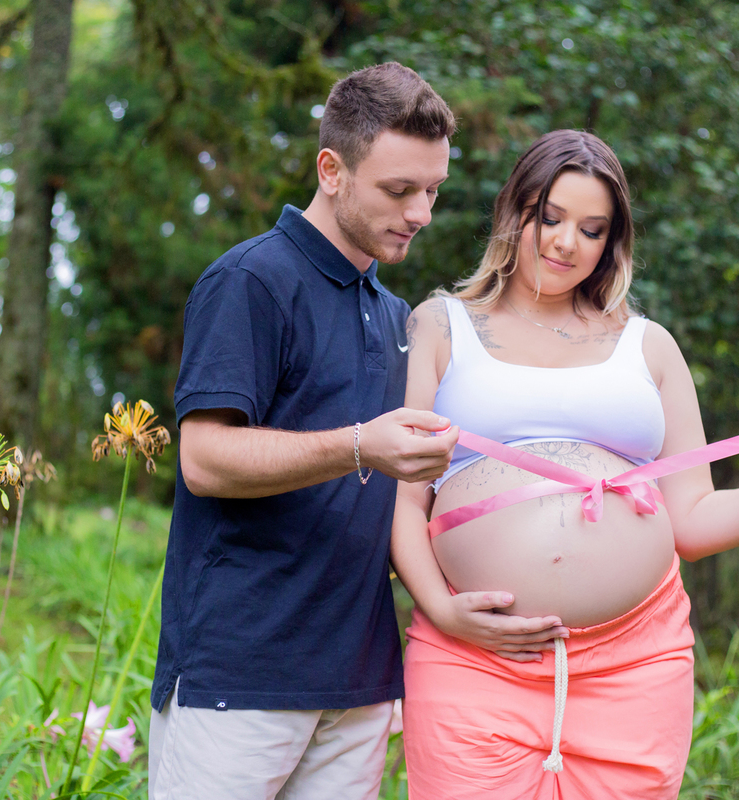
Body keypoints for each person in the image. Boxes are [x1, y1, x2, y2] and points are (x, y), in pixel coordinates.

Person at [390, 129, 739, 799]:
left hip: (635, 662)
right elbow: (404, 504)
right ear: (512, 210)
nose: (565, 242)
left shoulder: (650, 347)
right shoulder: (439, 326)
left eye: (592, 228)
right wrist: (441, 609)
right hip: (475, 656)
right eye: (548, 217)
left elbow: (691, 519)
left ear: (613, 242)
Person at [149, 62, 561, 800]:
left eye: (432, 190)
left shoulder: (396, 313)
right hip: (238, 680)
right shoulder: (250, 281)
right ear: (331, 170)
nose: (421, 211)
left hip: (360, 683)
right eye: (399, 190)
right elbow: (204, 458)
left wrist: (450, 597)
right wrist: (360, 444)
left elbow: (402, 506)